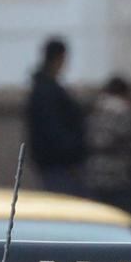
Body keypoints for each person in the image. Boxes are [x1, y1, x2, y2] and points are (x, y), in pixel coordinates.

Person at [24, 36, 87, 195]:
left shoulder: (42, 88)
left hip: (54, 162)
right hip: (59, 164)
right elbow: (54, 130)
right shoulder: (48, 91)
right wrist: (71, 153)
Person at [83, 76, 131, 218]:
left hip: (95, 175)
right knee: (123, 217)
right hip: (120, 177)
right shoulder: (125, 112)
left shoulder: (96, 111)